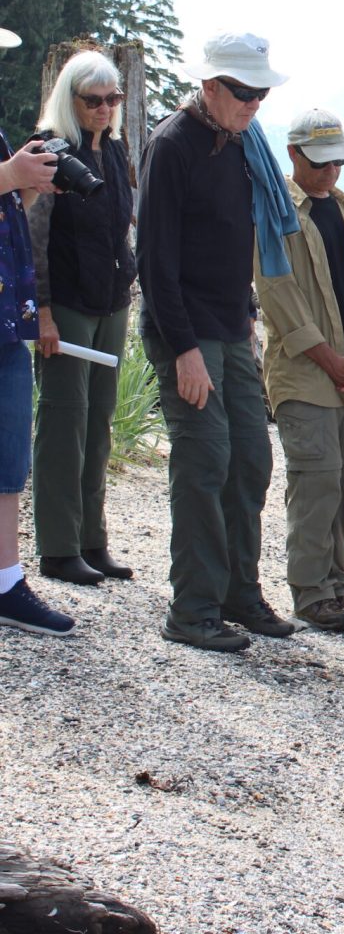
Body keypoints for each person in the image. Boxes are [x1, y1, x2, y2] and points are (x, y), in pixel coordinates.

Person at [138, 31, 296, 652]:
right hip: (186, 332)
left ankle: (237, 590)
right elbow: (154, 260)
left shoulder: (239, 145)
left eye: (260, 91)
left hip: (231, 328)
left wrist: (248, 318)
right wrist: (182, 350)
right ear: (209, 86)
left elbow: (236, 244)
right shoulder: (172, 145)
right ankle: (193, 607)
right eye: (243, 90)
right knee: (205, 461)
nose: (255, 101)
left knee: (251, 460)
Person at [254, 109, 344, 633]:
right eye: (321, 161)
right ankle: (309, 591)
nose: (331, 172)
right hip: (305, 373)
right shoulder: (278, 211)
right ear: (293, 154)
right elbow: (277, 294)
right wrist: (330, 361)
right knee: (316, 481)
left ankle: (337, 586)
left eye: (338, 162)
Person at [26, 50, 135, 587]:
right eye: (94, 100)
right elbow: (34, 238)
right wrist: (43, 311)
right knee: (64, 421)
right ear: (70, 98)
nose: (105, 108)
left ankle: (92, 538)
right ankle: (58, 546)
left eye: (113, 99)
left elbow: (121, 226)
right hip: (66, 301)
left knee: (99, 423)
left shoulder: (114, 150)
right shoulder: (49, 151)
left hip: (111, 298)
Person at [0, 23, 76, 636]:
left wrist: (25, 189)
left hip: (5, 318)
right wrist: (11, 176)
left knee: (7, 456)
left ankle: (5, 580)